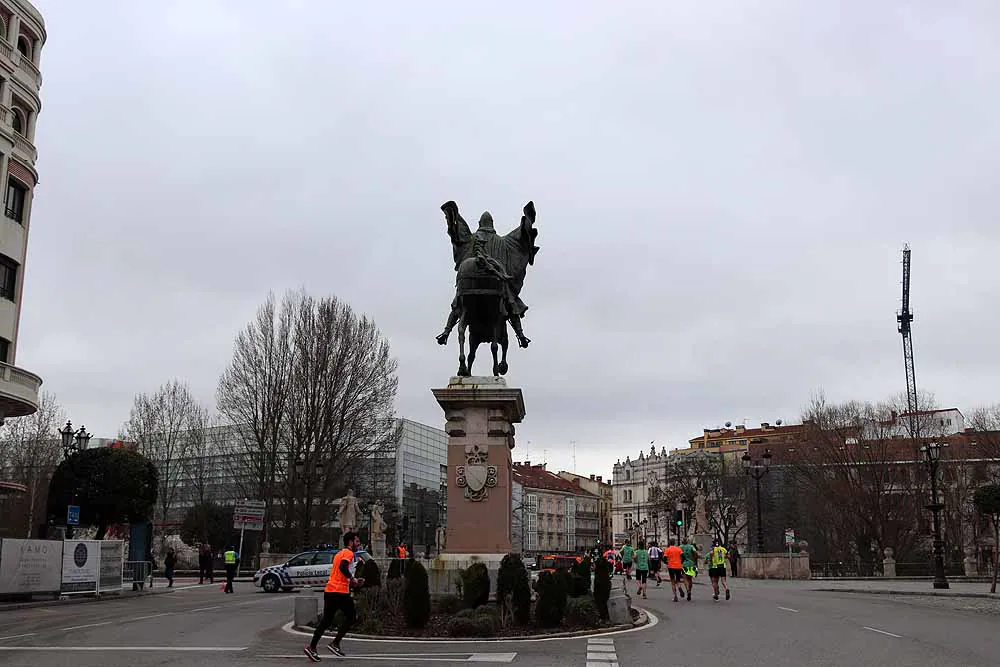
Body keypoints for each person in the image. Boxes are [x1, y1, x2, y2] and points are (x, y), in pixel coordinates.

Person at [304, 532, 364, 662]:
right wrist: (352, 579)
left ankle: (312, 647)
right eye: (357, 542)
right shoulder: (348, 553)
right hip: (340, 592)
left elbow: (339, 570)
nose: (358, 545)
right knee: (352, 617)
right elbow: (343, 567)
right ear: (350, 542)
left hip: (330, 590)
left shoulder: (339, 554)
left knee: (326, 620)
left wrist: (352, 580)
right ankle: (335, 643)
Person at [664, 538, 684, 602]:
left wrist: (667, 562)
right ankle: (679, 587)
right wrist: (681, 562)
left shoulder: (667, 550)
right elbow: (683, 556)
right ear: (674, 543)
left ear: (669, 543)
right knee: (678, 580)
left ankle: (675, 596)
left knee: (672, 581)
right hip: (678, 566)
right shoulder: (678, 549)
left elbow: (664, 558)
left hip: (671, 566)